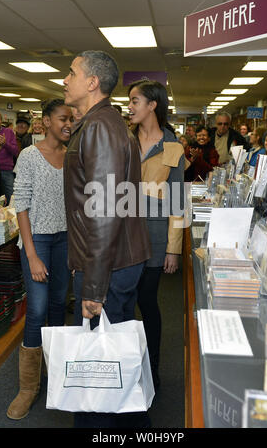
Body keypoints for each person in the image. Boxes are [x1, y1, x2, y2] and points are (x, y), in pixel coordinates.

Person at [63, 50, 151, 428]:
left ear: (92, 82)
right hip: (115, 261)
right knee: (112, 361)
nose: (65, 80)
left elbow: (105, 210)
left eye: (71, 73)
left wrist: (93, 287)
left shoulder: (100, 127)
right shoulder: (104, 124)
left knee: (102, 370)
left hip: (107, 266)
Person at [7, 99, 73, 421]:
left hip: (64, 241)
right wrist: (31, 255)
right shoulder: (29, 156)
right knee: (36, 309)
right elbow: (21, 205)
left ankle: (56, 372)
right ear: (46, 121)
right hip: (38, 241)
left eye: (70, 119)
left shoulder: (71, 157)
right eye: (62, 119)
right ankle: (28, 387)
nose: (68, 124)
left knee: (59, 304)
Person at [127, 79, 185, 390]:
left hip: (154, 236)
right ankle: (123, 366)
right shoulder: (123, 140)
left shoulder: (174, 145)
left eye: (136, 100)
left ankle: (152, 368)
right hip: (121, 236)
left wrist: (173, 249)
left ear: (153, 105)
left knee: (147, 301)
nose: (130, 106)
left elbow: (177, 199)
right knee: (122, 302)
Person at [0, 110, 18, 204]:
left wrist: (5, 144)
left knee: (12, 197)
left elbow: (16, 152)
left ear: (1, 120)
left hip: (7, 170)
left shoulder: (9, 132)